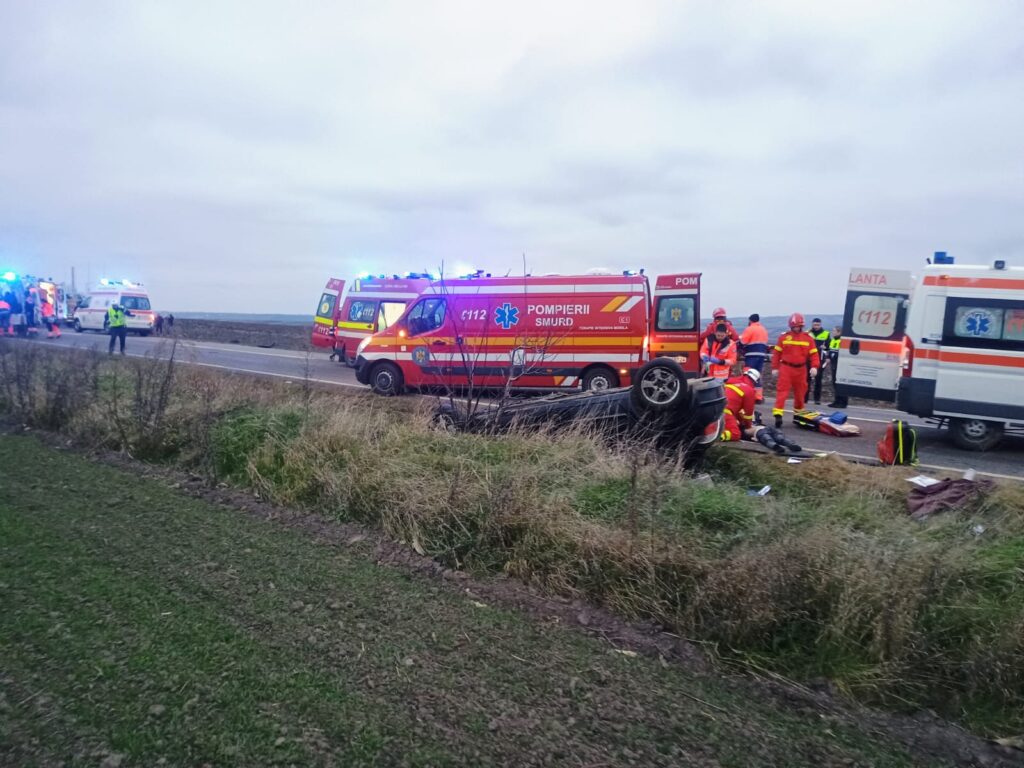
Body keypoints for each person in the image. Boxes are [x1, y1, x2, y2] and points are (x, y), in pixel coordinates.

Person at [718, 369, 802, 454]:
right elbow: (748, 414)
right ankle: (716, 437)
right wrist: (748, 425)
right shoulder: (749, 390)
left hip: (720, 409)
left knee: (770, 432)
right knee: (736, 434)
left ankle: (784, 444)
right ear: (755, 381)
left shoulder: (730, 383)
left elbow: (738, 410)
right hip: (730, 415)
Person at [771, 312, 819, 428]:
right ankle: (778, 415)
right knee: (782, 392)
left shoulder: (808, 338)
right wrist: (775, 368)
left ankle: (798, 416)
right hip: (786, 368)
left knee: (800, 393)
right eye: (795, 326)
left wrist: (814, 366)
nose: (797, 328)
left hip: (801, 369)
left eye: (799, 326)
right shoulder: (784, 337)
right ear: (791, 326)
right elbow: (776, 354)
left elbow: (814, 354)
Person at [738, 313, 769, 402]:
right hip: (761, 355)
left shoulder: (749, 329)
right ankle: (758, 397)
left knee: (748, 376)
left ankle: (747, 396)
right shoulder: (763, 329)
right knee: (757, 375)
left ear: (750, 320)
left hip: (751, 355)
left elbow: (743, 342)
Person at [807, 318, 830, 405]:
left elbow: (829, 346)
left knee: (818, 380)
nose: (816, 326)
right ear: (812, 324)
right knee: (806, 379)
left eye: (818, 325)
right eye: (814, 325)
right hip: (808, 359)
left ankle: (817, 399)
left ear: (820, 325)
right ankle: (804, 398)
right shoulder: (808, 333)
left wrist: (825, 348)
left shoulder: (826, 334)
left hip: (820, 359)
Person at [827, 326, 848, 408]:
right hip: (834, 365)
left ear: (839, 332)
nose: (833, 332)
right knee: (835, 384)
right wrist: (828, 357)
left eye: (834, 331)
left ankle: (842, 402)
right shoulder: (833, 340)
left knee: (841, 384)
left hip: (840, 366)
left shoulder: (842, 341)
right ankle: (837, 401)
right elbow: (831, 350)